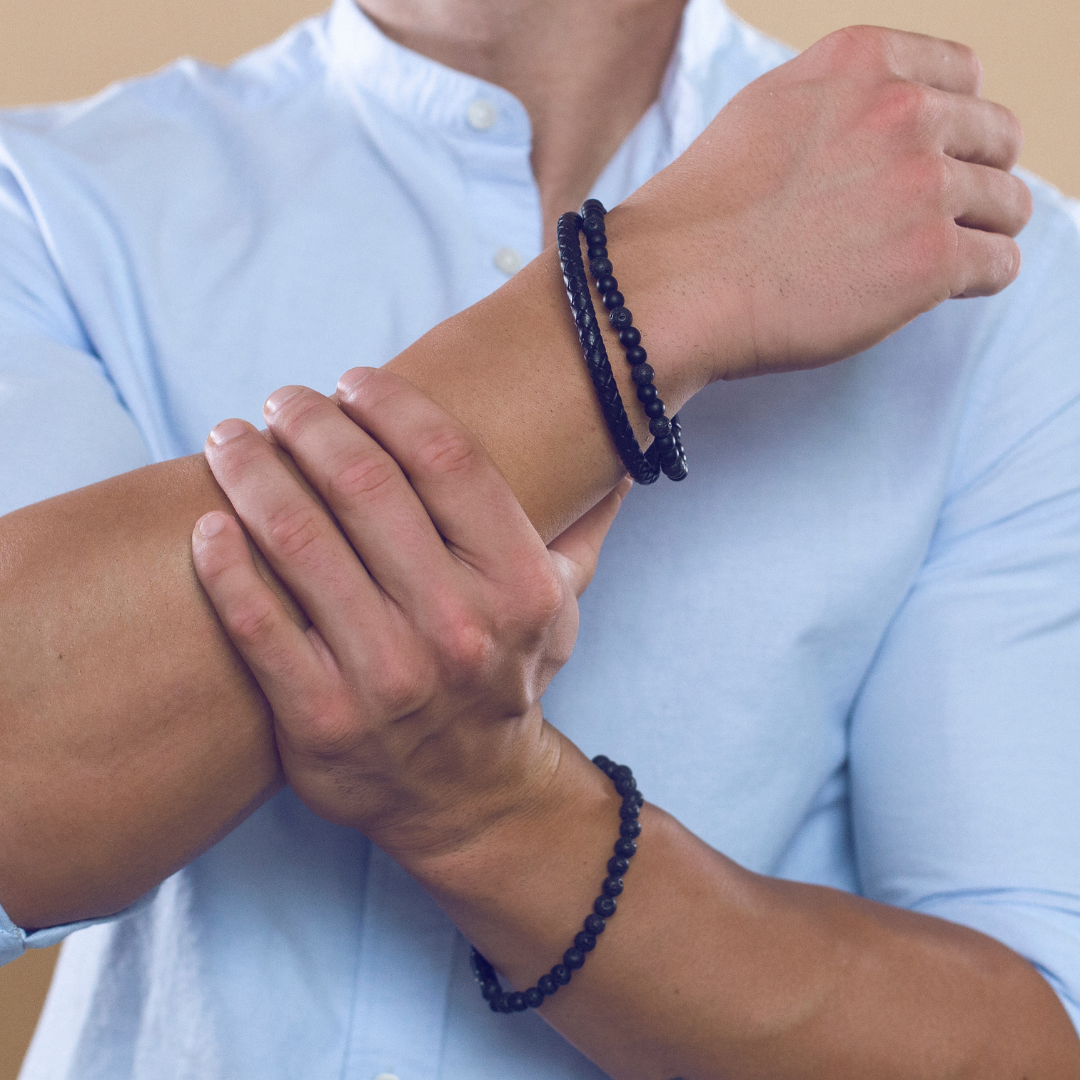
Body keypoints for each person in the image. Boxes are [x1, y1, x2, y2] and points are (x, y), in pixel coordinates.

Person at [0, 0, 1077, 1076]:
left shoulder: (992, 279)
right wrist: (655, 291)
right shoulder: (44, 202)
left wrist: (497, 819)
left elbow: (1028, 1044)